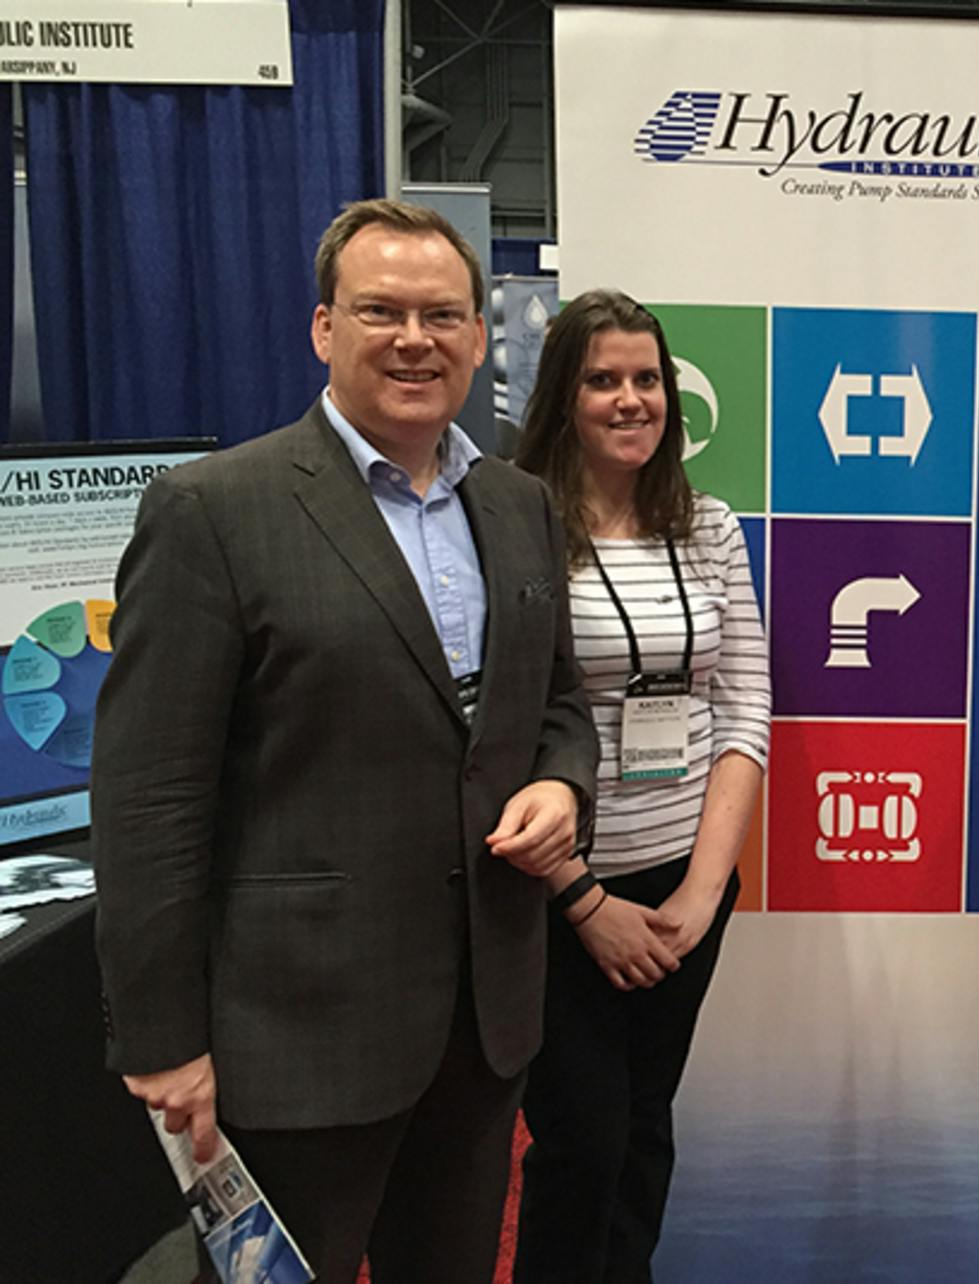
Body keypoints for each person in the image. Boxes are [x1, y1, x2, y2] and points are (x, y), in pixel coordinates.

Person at [91, 199, 598, 1281]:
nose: (415, 338)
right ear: (325, 329)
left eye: (443, 315)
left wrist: (562, 786)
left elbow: (554, 706)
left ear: (478, 335)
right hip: (298, 1036)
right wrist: (163, 1039)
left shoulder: (517, 506)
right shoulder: (214, 510)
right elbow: (149, 801)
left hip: (484, 1023)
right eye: (382, 312)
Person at [511, 291, 770, 1283]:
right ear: (563, 395)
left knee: (645, 1126)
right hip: (552, 902)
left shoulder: (705, 525)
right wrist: (583, 902)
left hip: (682, 892)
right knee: (582, 1141)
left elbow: (745, 708)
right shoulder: (514, 520)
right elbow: (497, 737)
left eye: (647, 379)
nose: (631, 399)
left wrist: (702, 893)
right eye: (602, 379)